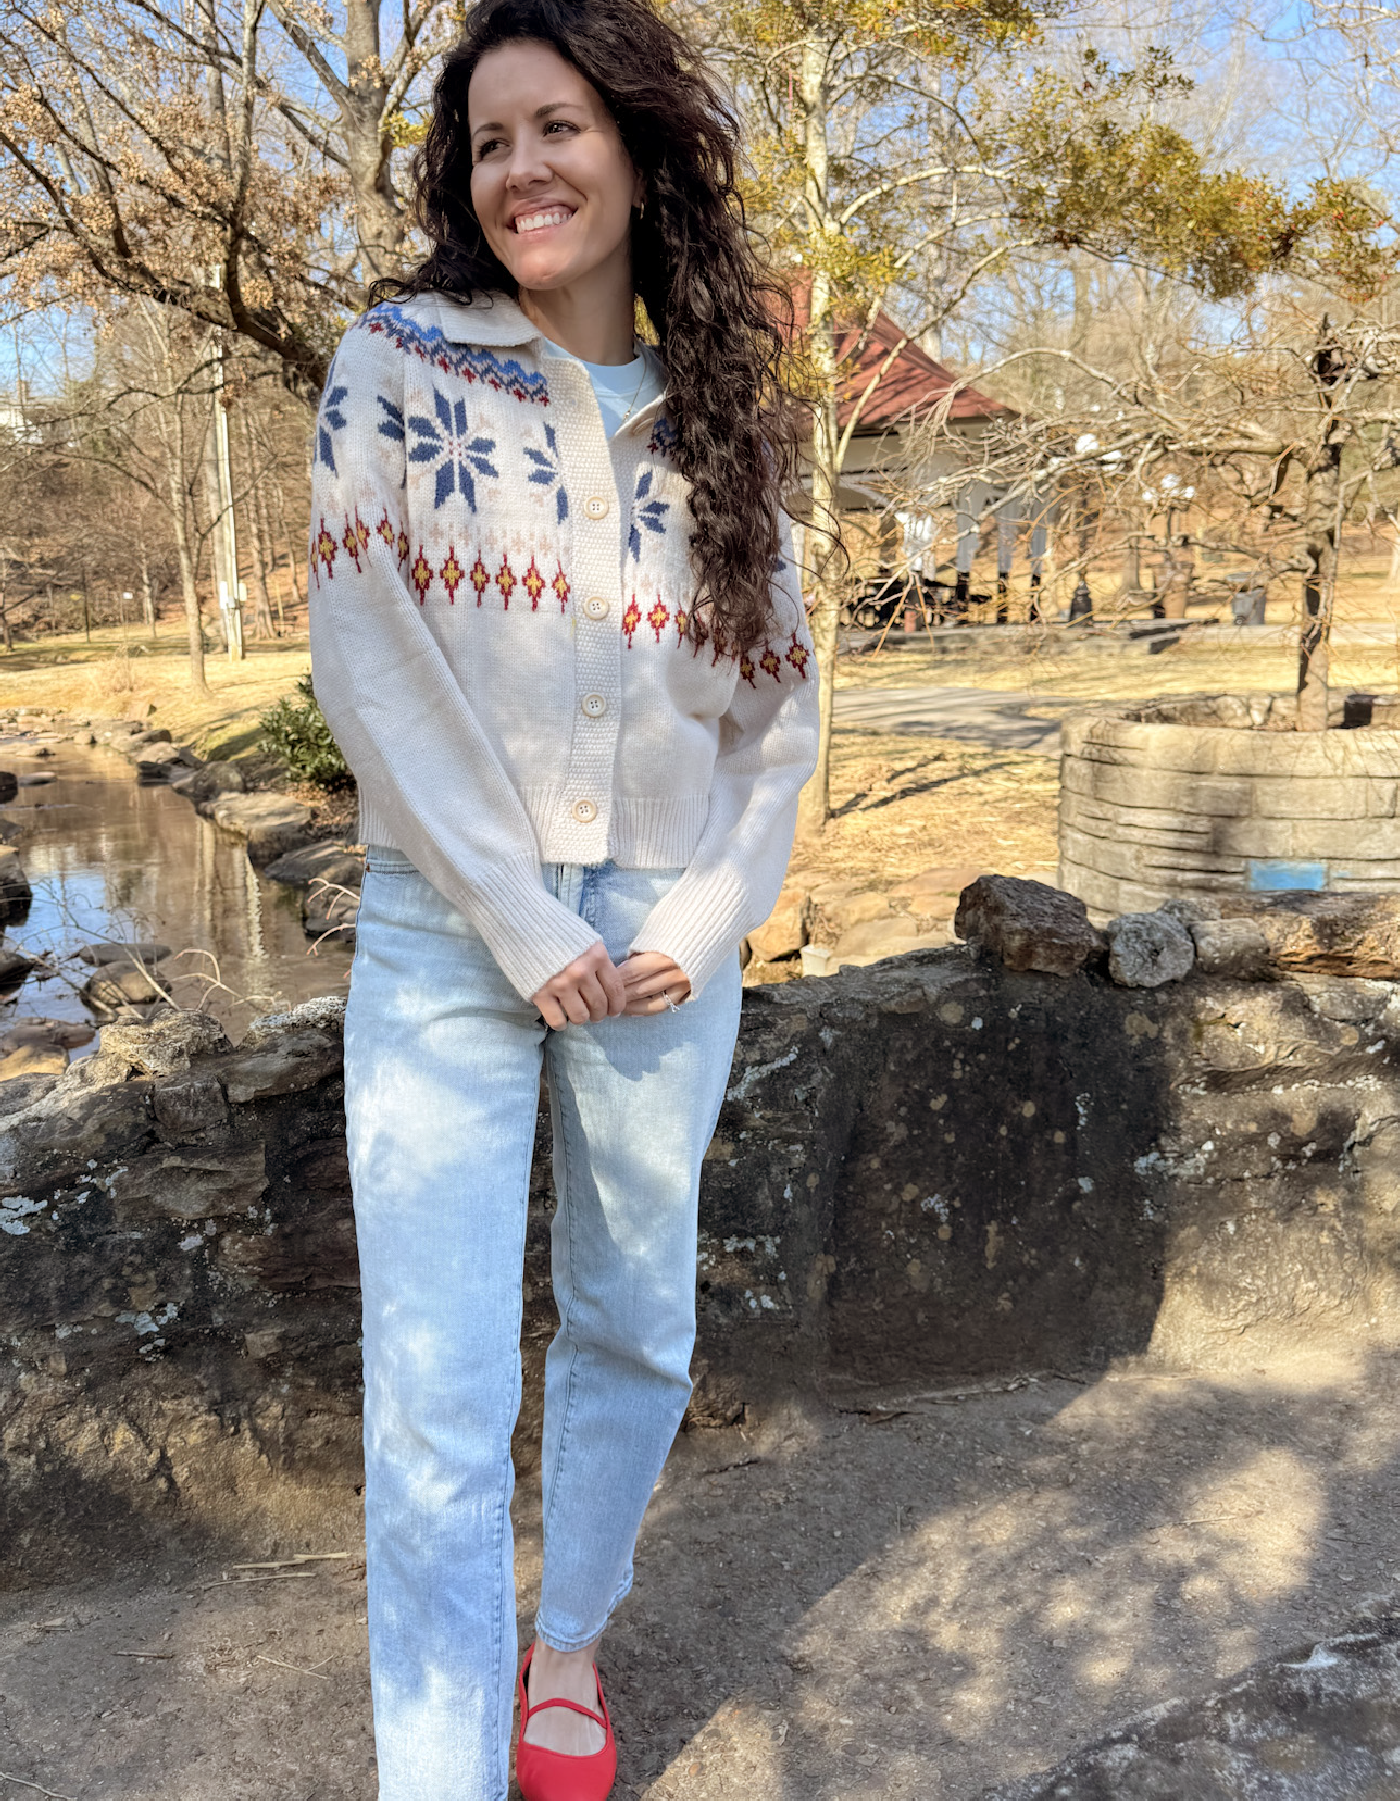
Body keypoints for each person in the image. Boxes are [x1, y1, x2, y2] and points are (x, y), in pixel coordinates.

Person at [306, 0, 818, 1794]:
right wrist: (530, 922)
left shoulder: (726, 404)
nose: (522, 165)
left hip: (669, 945)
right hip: (453, 935)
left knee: (635, 1323)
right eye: (492, 136)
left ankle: (569, 1650)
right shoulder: (399, 361)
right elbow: (366, 657)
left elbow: (779, 707)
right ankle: (433, 1768)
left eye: (560, 126)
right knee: (437, 1392)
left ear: (638, 142)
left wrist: (698, 917)